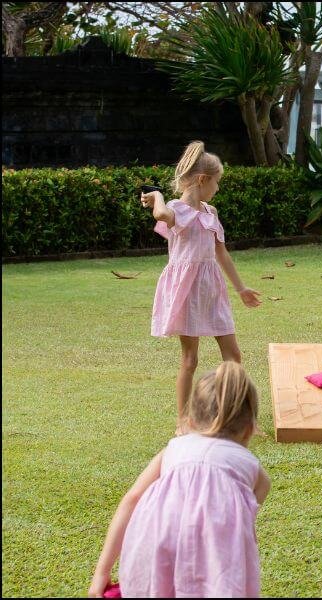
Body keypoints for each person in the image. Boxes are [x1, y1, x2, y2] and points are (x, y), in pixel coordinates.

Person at [88, 361, 271, 598]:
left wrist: (101, 572)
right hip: (215, 560)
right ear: (249, 429)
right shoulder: (250, 464)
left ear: (190, 422)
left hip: (156, 545)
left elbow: (132, 499)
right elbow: (254, 501)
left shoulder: (174, 449)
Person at [141, 141, 262, 433]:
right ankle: (183, 422)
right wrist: (157, 196)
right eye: (216, 182)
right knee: (190, 359)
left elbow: (221, 252)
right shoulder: (176, 209)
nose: (217, 188)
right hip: (186, 292)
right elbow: (161, 216)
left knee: (234, 356)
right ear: (203, 180)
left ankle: (236, 415)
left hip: (212, 290)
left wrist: (241, 289)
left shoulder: (211, 212)